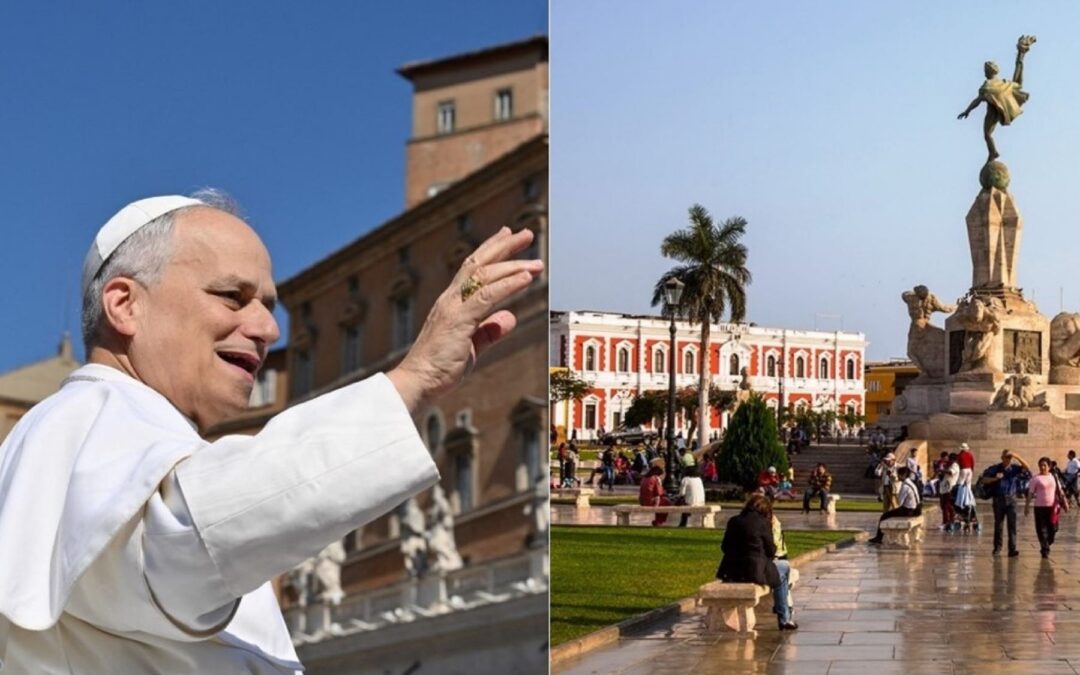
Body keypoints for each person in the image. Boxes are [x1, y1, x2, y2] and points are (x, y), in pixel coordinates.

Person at [0, 193, 543, 671]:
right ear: (125, 304)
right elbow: (184, 537)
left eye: (267, 306)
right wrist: (412, 380)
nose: (266, 330)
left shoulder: (134, 427)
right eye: (232, 297)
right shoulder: (87, 417)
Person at [716, 494, 797, 630]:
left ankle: (784, 614)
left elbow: (725, 547)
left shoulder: (733, 521)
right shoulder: (763, 523)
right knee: (784, 568)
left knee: (780, 572)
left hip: (731, 571)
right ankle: (784, 618)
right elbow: (771, 550)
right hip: (753, 571)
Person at [981, 449, 1031, 557]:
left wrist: (1016, 455)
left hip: (1011, 499)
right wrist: (995, 479)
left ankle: (1012, 549)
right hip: (998, 499)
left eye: (1009, 457)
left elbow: (1027, 468)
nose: (1007, 459)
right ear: (1001, 457)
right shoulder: (996, 468)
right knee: (998, 524)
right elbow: (984, 479)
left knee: (1012, 525)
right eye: (1006, 457)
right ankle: (997, 548)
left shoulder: (1014, 469)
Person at [867, 466, 922, 544]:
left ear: (903, 475)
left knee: (884, 516)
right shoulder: (912, 483)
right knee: (891, 512)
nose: (898, 476)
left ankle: (879, 538)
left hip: (909, 510)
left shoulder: (905, 486)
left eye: (899, 474)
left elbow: (900, 502)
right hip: (917, 509)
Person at [1026, 457, 1068, 558]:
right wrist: (1027, 506)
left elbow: (1059, 490)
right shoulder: (1036, 479)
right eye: (1040, 465)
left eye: (1044, 465)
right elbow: (1030, 493)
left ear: (1049, 467)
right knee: (1041, 529)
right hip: (1039, 507)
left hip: (1052, 508)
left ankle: (1047, 543)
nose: (1042, 467)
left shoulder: (1054, 477)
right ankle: (1045, 549)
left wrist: (1065, 502)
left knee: (1053, 529)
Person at [639, 462, 671, 526]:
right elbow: (658, 493)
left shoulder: (644, 478)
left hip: (643, 501)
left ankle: (657, 520)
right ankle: (659, 521)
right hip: (651, 501)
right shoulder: (655, 478)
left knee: (662, 502)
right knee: (666, 502)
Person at [939, 453, 960, 531]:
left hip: (949, 488)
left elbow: (950, 472)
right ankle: (950, 521)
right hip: (945, 488)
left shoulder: (954, 465)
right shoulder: (949, 465)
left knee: (946, 506)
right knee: (945, 506)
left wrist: (942, 470)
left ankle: (946, 522)